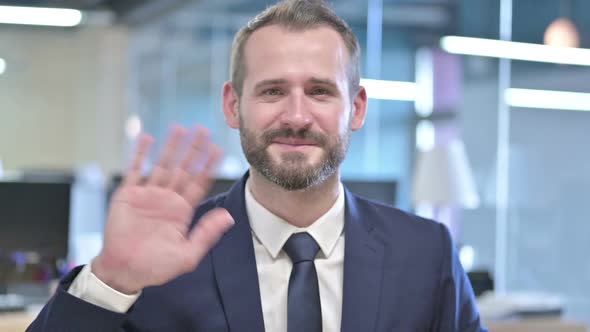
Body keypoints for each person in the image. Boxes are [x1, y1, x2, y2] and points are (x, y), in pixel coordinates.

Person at [27, 0, 487, 331]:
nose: (297, 116)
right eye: (272, 91)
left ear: (358, 108)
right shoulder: (163, 255)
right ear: (233, 106)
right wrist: (111, 279)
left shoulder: (426, 255)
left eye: (321, 91)